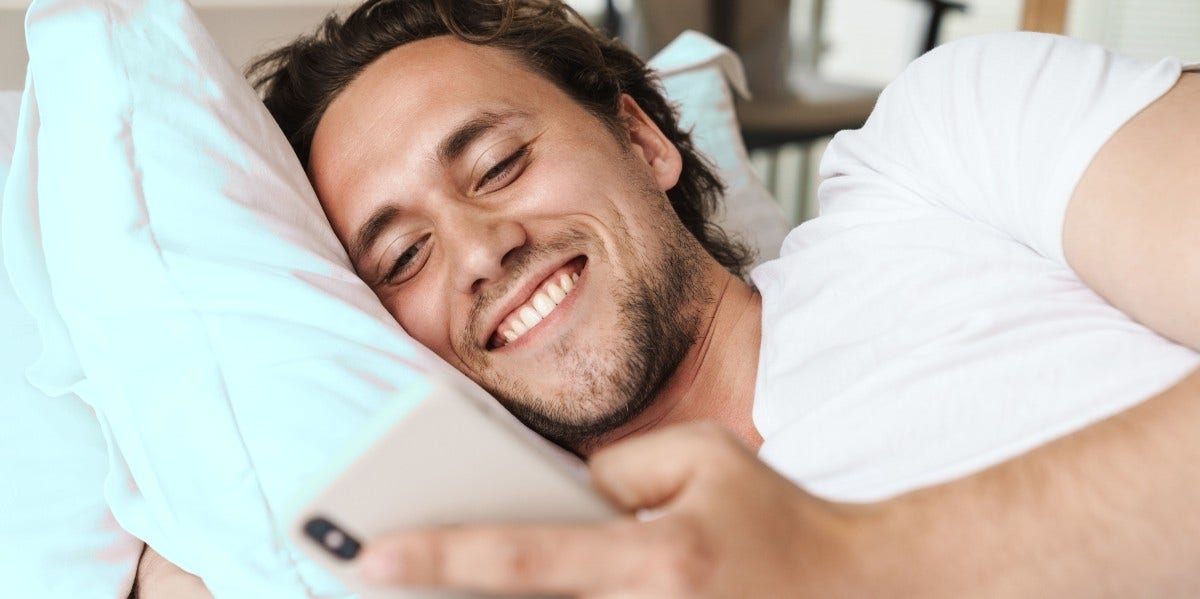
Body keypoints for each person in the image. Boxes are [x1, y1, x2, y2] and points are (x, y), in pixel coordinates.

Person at [138, 0, 1200, 596]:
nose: (476, 250)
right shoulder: (538, 570)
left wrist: (861, 564)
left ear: (642, 137)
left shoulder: (951, 148)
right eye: (402, 256)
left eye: (500, 162)